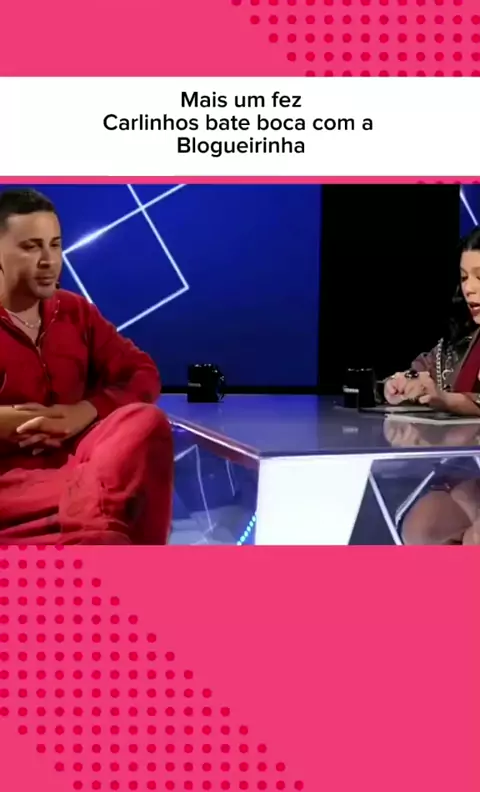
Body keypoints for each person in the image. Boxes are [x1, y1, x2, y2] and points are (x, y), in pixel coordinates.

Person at [0, 188, 173, 545]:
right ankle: (96, 528)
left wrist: (83, 412)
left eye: (55, 245)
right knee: (111, 503)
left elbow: (142, 373)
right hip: (12, 483)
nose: (49, 260)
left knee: (145, 421)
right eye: (31, 247)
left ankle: (92, 524)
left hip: (84, 468)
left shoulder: (75, 311)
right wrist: (13, 422)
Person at [384, 225, 480, 416]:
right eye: (463, 277)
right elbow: (417, 372)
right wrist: (400, 384)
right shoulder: (460, 344)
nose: (468, 288)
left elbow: (445, 398)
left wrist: (449, 400)